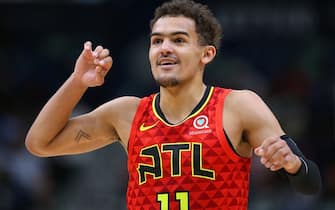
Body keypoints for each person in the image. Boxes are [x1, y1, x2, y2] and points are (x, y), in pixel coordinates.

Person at [25, 0, 321, 209]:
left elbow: (311, 183)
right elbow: (40, 143)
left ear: (206, 54)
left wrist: (292, 164)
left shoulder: (238, 105)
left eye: (178, 40)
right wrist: (77, 82)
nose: (164, 48)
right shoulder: (126, 112)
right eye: (157, 41)